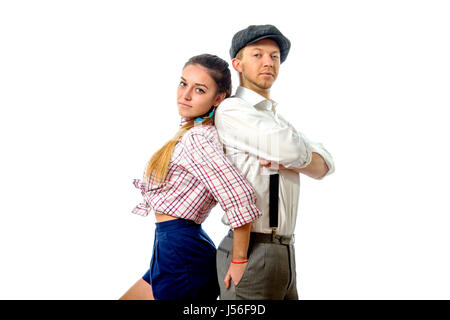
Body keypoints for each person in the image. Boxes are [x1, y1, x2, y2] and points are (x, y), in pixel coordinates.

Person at [119, 54, 262, 300]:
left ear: (218, 98)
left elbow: (239, 195)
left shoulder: (199, 139)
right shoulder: (191, 132)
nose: (185, 95)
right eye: (183, 83)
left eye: (199, 89)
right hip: (170, 246)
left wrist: (239, 259)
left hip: (181, 250)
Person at [215, 25, 336, 300]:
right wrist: (296, 156)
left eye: (275, 56)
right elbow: (294, 149)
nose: (268, 62)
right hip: (251, 250)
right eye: (257, 54)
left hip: (285, 249)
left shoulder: (275, 119)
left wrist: (293, 157)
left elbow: (325, 166)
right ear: (238, 64)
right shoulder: (234, 110)